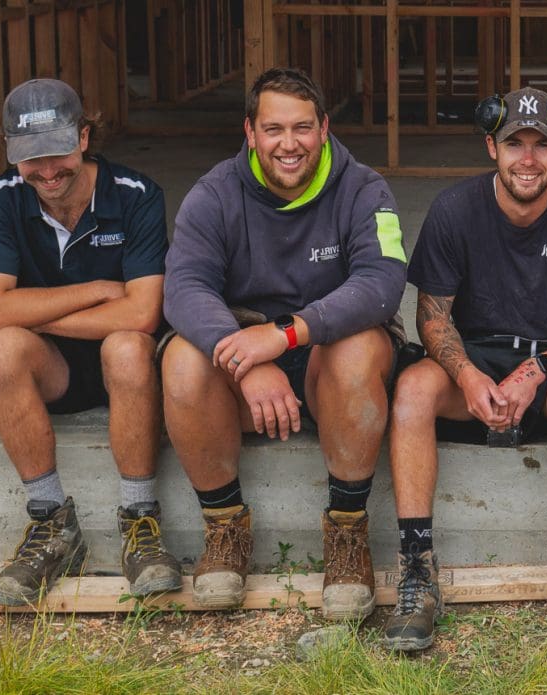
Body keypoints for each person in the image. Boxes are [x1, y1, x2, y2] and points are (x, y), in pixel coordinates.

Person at [383, 87, 547, 651]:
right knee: (415, 387)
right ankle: (417, 572)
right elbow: (432, 317)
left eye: (541, 144)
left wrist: (537, 369)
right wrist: (468, 375)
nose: (527, 158)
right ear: (490, 146)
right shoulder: (454, 208)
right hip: (475, 359)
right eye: (514, 143)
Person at [161, 67, 406, 619]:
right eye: (273, 129)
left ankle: (347, 534)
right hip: (247, 362)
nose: (288, 144)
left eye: (301, 128)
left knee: (358, 346)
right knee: (181, 358)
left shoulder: (366, 188)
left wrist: (284, 334)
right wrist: (245, 358)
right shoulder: (214, 193)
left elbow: (382, 284)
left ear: (323, 128)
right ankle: (224, 528)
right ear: (250, 133)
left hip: (328, 355)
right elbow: (183, 288)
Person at [0, 79, 180, 606]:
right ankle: (51, 523)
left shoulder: (136, 194)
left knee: (129, 345)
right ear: (10, 153)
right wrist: (91, 293)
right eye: (30, 158)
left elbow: (141, 313)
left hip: (127, 367)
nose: (46, 172)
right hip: (56, 367)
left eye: (58, 154)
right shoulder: (2, 197)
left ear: (85, 137)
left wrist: (36, 311)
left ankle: (140, 521)